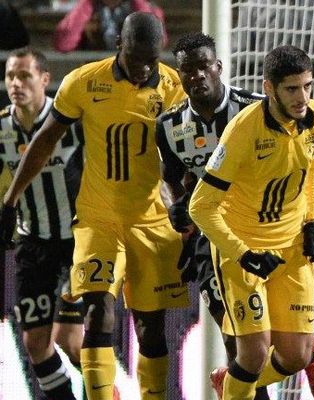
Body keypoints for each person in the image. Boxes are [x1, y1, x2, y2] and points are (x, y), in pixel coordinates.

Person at [0, 12, 187, 400]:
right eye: (136, 58)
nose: (143, 69)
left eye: (151, 60)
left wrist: (187, 206)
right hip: (96, 220)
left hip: (151, 220)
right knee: (97, 313)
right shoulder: (84, 82)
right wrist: (11, 199)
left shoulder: (173, 87)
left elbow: (183, 156)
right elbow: (45, 139)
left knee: (151, 329)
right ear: (119, 45)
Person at [156, 33, 314, 400]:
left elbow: (312, 167)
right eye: (292, 89)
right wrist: (241, 251)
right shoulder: (240, 129)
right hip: (238, 246)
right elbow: (196, 202)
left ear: (219, 67)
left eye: (307, 87)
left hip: (290, 249)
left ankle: (231, 386)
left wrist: (312, 220)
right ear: (270, 89)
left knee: (296, 355)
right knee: (251, 351)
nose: (302, 98)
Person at [0, 47, 84, 400]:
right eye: (10, 77)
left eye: (24, 76)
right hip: (33, 243)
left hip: (78, 242)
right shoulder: (2, 127)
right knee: (36, 345)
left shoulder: (72, 121)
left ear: (45, 80)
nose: (16, 84)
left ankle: (105, 391)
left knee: (71, 339)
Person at [54, 0, 167, 52]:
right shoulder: (85, 7)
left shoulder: (146, 7)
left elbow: (155, 44)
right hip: (94, 74)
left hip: (133, 76)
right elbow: (64, 44)